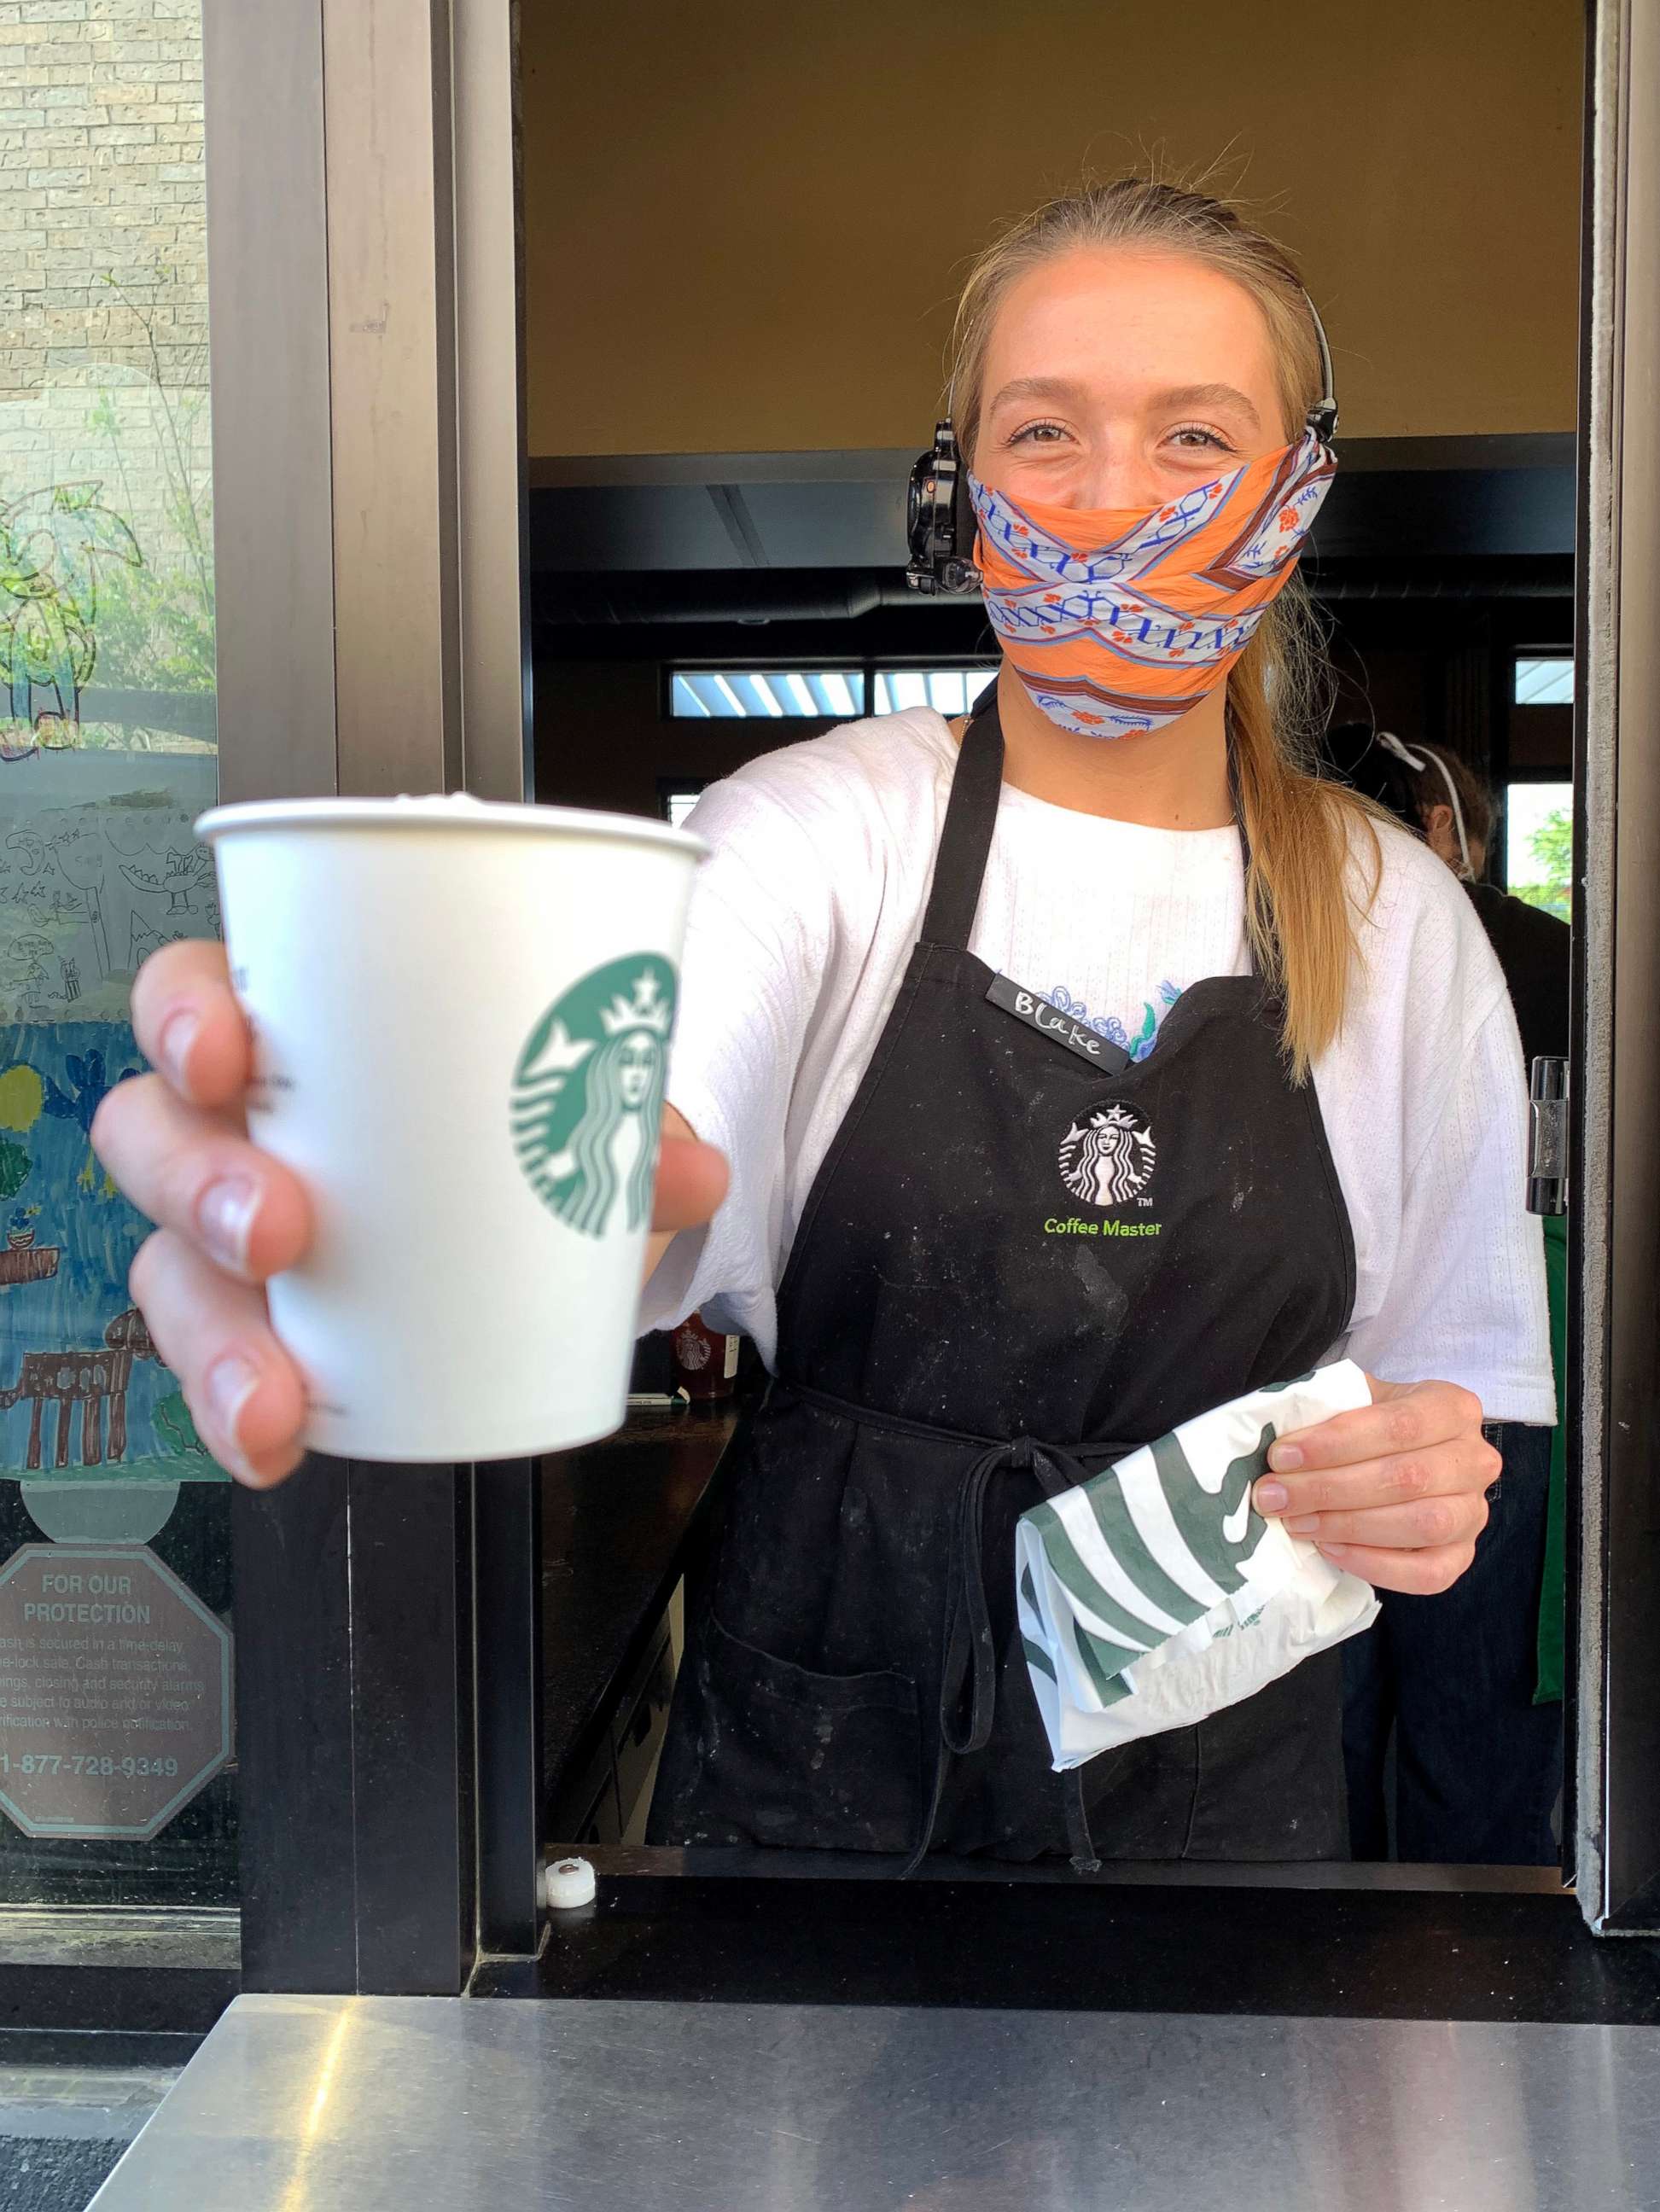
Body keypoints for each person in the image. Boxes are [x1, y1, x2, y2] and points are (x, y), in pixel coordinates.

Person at [92, 177, 1552, 1870]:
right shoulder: (805, 837)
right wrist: (398, 1183)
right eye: (1042, 435)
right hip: (825, 1774)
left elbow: (1451, 1402)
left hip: (1223, 1797)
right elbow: (632, 1162)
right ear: (959, 493)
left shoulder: (1391, 918)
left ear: (1295, 497)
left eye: (1193, 442)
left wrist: (1420, 1483)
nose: (1108, 504)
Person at [1324, 725, 1567, 1863]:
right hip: (1501, 1375)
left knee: (1312, 1722)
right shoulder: (1557, 959)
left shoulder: (1275, 950)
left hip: (1300, 1385)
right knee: (1471, 1723)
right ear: (1436, 828)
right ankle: (1468, 1962)